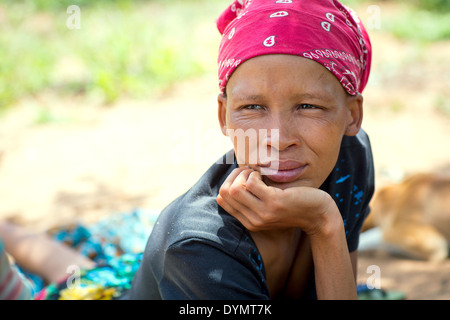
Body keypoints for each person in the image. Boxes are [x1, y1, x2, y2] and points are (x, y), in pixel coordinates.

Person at [129, 0, 374, 300]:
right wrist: (323, 221)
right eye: (253, 107)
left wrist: (325, 222)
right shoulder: (198, 250)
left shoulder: (350, 159)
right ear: (224, 115)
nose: (280, 139)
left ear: (352, 115)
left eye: (308, 106)